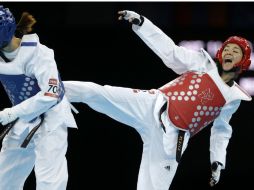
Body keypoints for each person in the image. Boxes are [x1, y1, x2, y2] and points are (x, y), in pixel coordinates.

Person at [62, 10, 252, 190]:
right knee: (98, 93)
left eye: (236, 51)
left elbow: (221, 131)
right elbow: (170, 51)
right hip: (153, 104)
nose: (229, 52)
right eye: (227, 48)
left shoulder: (233, 98)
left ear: (243, 62)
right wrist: (142, 24)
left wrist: (217, 160)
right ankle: (53, 89)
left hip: (172, 139)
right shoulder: (202, 63)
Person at [0, 5, 77, 190]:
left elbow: (51, 94)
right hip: (23, 119)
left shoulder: (38, 53)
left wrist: (11, 113)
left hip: (52, 120)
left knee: (49, 184)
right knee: (5, 182)